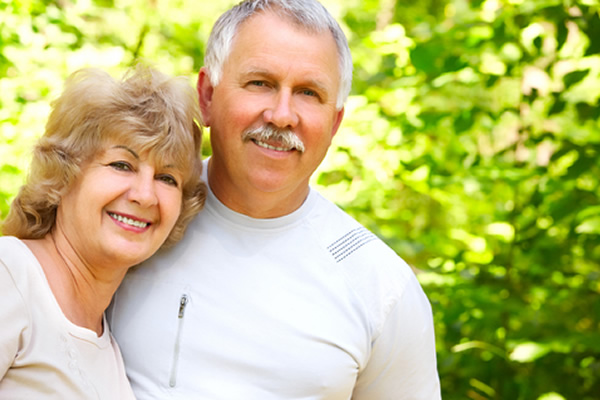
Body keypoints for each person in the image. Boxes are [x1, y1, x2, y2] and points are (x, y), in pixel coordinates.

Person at [109, 0, 441, 398]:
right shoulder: (129, 214)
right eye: (260, 83)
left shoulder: (381, 289)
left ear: (335, 122)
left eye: (308, 92)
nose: (282, 115)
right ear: (208, 96)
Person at [0, 65, 206, 399]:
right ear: (64, 171)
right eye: (122, 165)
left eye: (167, 178)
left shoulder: (110, 348)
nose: (145, 194)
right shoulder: (10, 276)